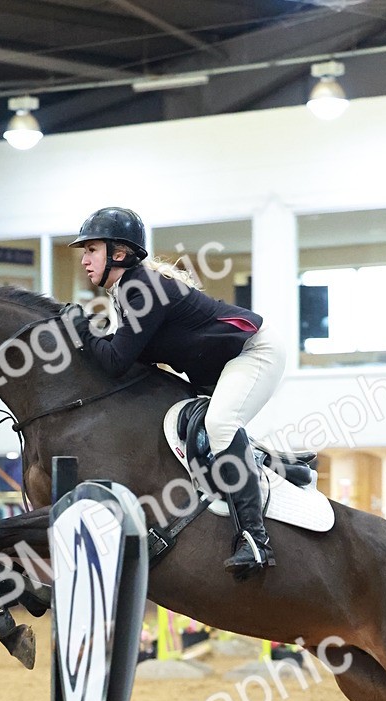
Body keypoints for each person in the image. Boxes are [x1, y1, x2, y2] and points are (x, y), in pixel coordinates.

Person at [67, 206, 286, 580]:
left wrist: (80, 328)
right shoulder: (126, 291)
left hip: (254, 352)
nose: (85, 260)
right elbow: (130, 363)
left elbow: (117, 360)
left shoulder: (141, 288)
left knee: (219, 425)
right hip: (218, 365)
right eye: (85, 252)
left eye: (91, 250)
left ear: (118, 254)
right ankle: (283, 464)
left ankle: (254, 538)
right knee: (200, 428)